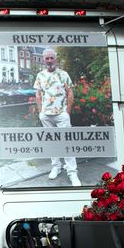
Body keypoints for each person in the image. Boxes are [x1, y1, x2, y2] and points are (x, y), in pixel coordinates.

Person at [34, 48, 80, 187]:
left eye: (51, 58)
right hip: (46, 115)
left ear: (56, 59)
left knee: (67, 143)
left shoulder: (63, 74)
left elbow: (70, 92)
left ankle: (72, 172)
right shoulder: (40, 75)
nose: (49, 61)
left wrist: (67, 111)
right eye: (47, 58)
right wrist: (41, 111)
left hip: (61, 114)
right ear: (44, 60)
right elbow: (38, 94)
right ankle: (56, 166)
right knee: (51, 143)